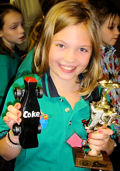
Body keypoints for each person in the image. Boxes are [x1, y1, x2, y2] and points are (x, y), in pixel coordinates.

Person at [0, 1, 115, 171]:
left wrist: (105, 143)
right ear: (46, 44)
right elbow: (5, 154)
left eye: (82, 49)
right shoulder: (24, 88)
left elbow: (110, 147)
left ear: (93, 53)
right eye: (61, 45)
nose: (70, 58)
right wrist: (15, 134)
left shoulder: (96, 94)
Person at [89, 0, 120, 142]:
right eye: (111, 27)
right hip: (104, 129)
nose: (117, 32)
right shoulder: (90, 57)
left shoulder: (111, 55)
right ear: (96, 27)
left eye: (118, 27)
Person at [0, 3, 25, 112]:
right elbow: (3, 97)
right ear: (0, 32)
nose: (22, 30)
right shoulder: (3, 61)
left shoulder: (14, 53)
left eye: (22, 24)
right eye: (14, 27)